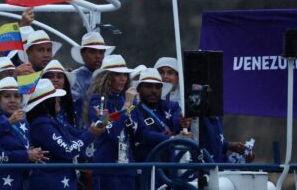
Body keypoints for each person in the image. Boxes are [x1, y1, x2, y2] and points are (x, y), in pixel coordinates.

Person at [26, 79, 105, 188]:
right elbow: (67, 150)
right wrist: (91, 133)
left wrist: (99, 121)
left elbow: (78, 135)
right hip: (51, 184)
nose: (59, 100)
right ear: (46, 103)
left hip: (63, 181)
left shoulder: (56, 120)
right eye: (55, 98)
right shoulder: (42, 125)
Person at [0, 77, 48, 190]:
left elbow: (22, 147)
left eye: (16, 96)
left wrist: (33, 153)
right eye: (7, 96)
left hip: (21, 182)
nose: (12, 100)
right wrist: (26, 155)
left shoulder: (23, 121)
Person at [84, 55, 138, 188]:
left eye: (125, 74)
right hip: (107, 170)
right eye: (118, 74)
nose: (123, 78)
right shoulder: (99, 102)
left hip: (128, 169)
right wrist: (126, 107)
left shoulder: (127, 100)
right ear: (107, 77)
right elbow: (111, 132)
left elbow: (140, 132)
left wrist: (171, 136)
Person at [130, 68, 189, 162]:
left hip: (170, 166)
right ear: (139, 89)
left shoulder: (172, 106)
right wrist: (172, 138)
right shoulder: (133, 109)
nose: (154, 91)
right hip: (145, 166)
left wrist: (184, 123)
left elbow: (177, 123)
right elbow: (144, 135)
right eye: (148, 86)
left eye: (158, 87)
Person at [70, 32, 115, 110]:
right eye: (93, 51)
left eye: (101, 52)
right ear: (82, 54)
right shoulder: (73, 78)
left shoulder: (112, 77)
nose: (98, 56)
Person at [41, 59, 78, 126]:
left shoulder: (70, 104)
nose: (55, 80)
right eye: (50, 77)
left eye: (59, 77)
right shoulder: (40, 106)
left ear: (65, 82)